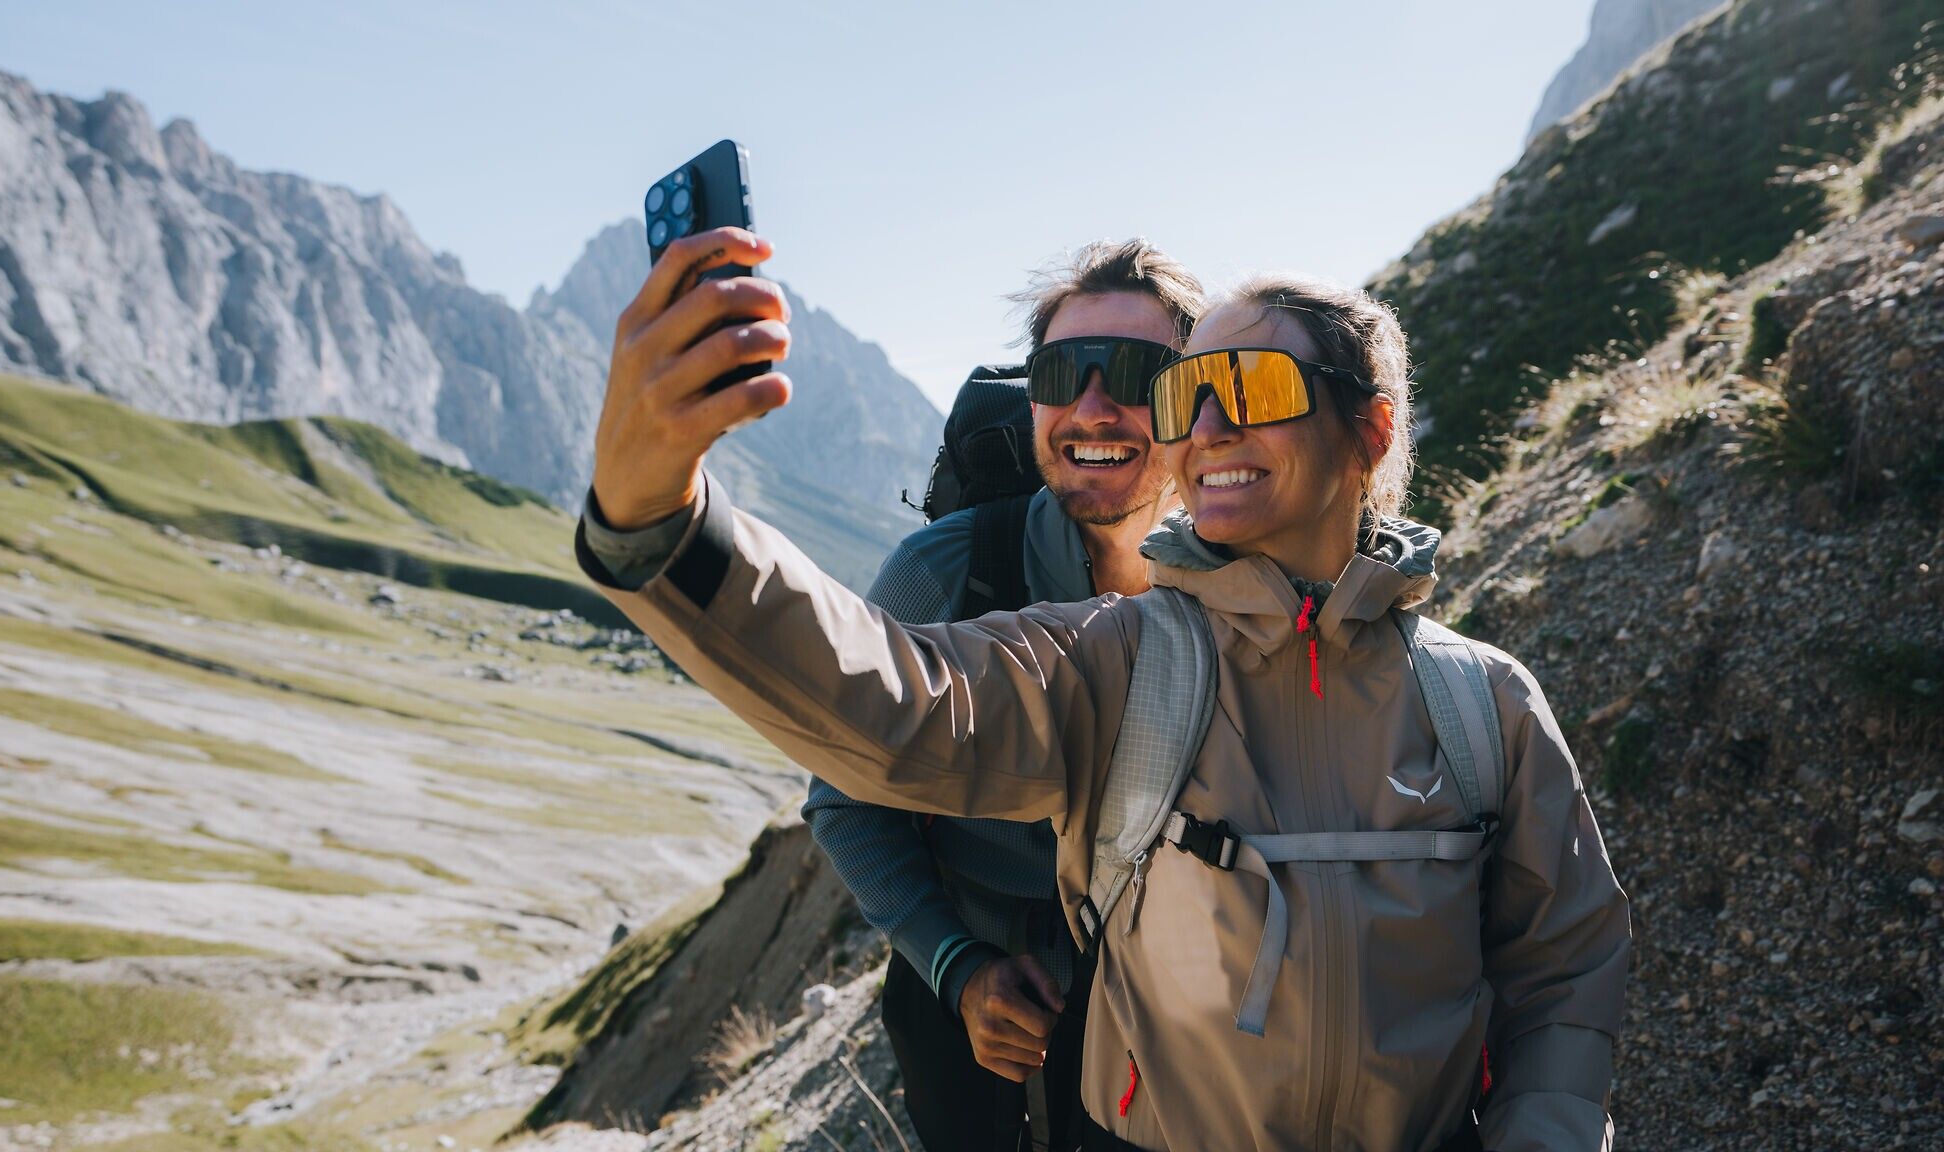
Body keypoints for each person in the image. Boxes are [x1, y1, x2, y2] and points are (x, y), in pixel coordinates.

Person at [576, 228, 1632, 1152]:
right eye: (1190, 396)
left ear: (1372, 430)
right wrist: (660, 521)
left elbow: (1564, 972)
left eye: (1250, 388)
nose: (1207, 426)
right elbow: (894, 706)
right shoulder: (1117, 659)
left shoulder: (1484, 704)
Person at [802, 240, 1205, 1152]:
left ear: (1192, 397)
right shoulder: (946, 572)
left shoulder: (1243, 588)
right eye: (1061, 373)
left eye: (1136, 373)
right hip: (969, 1012)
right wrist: (957, 967)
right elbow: (844, 798)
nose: (1092, 407)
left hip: (1172, 1014)